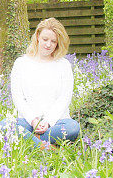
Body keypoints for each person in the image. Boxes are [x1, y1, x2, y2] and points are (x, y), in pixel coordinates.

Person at [5, 17, 80, 149]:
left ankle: (31, 141)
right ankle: (47, 147)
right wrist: (34, 120)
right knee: (5, 125)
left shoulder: (63, 65)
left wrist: (48, 122)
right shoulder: (21, 63)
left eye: (53, 41)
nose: (48, 44)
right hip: (28, 122)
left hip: (56, 122)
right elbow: (18, 97)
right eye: (45, 39)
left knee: (73, 128)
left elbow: (65, 97)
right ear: (38, 36)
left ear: (58, 43)